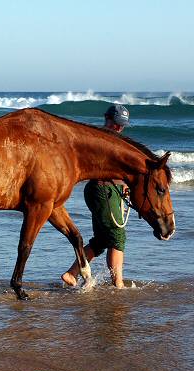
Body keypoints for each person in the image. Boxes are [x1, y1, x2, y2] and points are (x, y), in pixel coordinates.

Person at [61, 104, 130, 288]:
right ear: (107, 119)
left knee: (101, 241)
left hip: (106, 191)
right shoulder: (103, 140)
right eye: (115, 123)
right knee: (117, 237)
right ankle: (119, 284)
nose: (118, 128)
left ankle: (72, 273)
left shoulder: (106, 139)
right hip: (104, 191)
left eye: (121, 125)